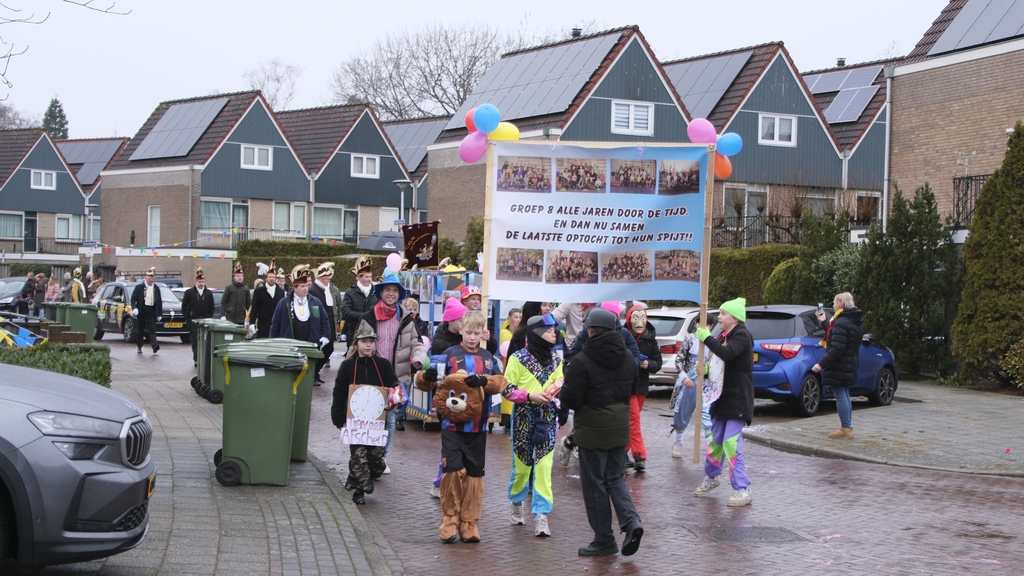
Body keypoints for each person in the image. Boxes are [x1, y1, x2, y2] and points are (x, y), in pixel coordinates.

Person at [415, 310, 506, 542]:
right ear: (461, 331)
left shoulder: (487, 358)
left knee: (475, 476)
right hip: (452, 426)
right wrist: (426, 377)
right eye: (468, 332)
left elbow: (500, 383)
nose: (472, 337)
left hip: (478, 428)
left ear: (482, 333)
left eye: (476, 333)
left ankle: (469, 522)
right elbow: (426, 382)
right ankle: (450, 519)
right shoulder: (449, 354)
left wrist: (484, 380)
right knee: (452, 471)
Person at [560, 307, 643, 557]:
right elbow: (632, 388)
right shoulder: (628, 357)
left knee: (594, 483)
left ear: (590, 330)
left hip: (592, 430)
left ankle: (604, 539)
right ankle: (631, 521)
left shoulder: (582, 360)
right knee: (615, 477)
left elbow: (571, 400)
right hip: (619, 427)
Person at [356, 272, 427, 469]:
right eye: (387, 289)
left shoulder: (406, 319)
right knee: (370, 418)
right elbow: (356, 344)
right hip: (371, 375)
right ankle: (367, 455)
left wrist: (419, 359)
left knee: (389, 420)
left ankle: (381, 457)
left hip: (395, 377)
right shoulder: (368, 317)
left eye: (395, 290)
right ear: (380, 292)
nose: (391, 293)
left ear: (399, 294)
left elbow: (417, 344)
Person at [502, 313, 564, 538]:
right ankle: (517, 502)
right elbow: (506, 388)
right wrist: (529, 396)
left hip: (546, 418)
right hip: (523, 417)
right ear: (537, 334)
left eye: (554, 330)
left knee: (544, 467)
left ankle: (541, 515)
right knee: (522, 466)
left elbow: (559, 382)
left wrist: (554, 396)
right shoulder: (518, 358)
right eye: (549, 331)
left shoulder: (556, 360)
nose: (554, 334)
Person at [693, 297, 754, 507]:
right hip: (720, 398)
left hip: (738, 399)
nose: (719, 317)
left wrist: (707, 338)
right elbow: (718, 363)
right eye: (719, 313)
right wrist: (706, 370)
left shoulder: (742, 336)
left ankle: (743, 489)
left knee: (731, 443)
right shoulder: (722, 336)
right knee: (715, 441)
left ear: (735, 318)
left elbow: (728, 354)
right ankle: (712, 477)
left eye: (723, 313)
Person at [331, 324, 399, 505]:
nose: (368, 345)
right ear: (356, 344)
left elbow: (393, 384)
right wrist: (339, 418)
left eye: (371, 341)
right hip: (355, 420)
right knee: (358, 456)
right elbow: (339, 393)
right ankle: (359, 490)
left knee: (374, 457)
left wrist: (395, 394)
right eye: (364, 341)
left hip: (377, 420)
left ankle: (375, 470)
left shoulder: (383, 365)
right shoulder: (347, 366)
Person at [813, 292, 864, 440]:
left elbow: (836, 348)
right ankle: (847, 427)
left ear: (840, 303)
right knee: (844, 393)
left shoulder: (841, 322)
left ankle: (845, 428)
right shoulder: (854, 321)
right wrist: (824, 321)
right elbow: (835, 336)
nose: (833, 305)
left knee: (840, 394)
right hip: (849, 363)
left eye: (835, 303)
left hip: (839, 365)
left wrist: (820, 364)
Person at [624, 304, 662, 472]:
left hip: (641, 386)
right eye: (635, 318)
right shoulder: (623, 336)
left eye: (642, 318)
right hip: (626, 385)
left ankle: (623, 452)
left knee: (632, 421)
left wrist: (648, 364)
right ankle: (639, 455)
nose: (639, 322)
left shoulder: (650, 339)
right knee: (633, 421)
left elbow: (658, 363)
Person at [269, 265, 331, 351]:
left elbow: (324, 320)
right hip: (290, 347)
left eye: (306, 286)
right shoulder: (284, 303)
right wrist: (273, 341)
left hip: (312, 346)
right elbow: (275, 324)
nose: (305, 288)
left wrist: (325, 336)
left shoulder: (315, 302)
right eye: (302, 286)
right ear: (295, 288)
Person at [670, 332, 712, 458]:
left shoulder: (713, 340)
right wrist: (684, 377)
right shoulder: (689, 339)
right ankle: (678, 442)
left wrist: (708, 372)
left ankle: (711, 447)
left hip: (705, 384)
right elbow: (679, 360)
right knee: (682, 412)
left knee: (707, 412)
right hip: (689, 382)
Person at [309, 262, 343, 384]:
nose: (328, 281)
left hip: (329, 324)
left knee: (329, 349)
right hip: (319, 326)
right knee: (319, 351)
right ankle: (312, 373)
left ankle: (316, 371)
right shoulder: (313, 290)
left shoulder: (326, 290)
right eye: (327, 279)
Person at [181, 268, 215, 366]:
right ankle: (196, 358)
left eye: (202, 282)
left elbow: (211, 308)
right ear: (196, 282)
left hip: (204, 320)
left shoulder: (208, 293)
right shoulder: (189, 292)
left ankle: (203, 358)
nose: (201, 283)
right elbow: (184, 307)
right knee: (195, 340)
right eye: (199, 282)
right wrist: (188, 319)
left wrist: (209, 318)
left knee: (204, 340)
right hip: (193, 320)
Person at [340, 256, 377, 346]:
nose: (369, 279)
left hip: (372, 332)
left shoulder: (376, 292)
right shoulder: (350, 292)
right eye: (366, 277)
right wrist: (363, 316)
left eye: (370, 276)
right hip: (354, 332)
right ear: (359, 278)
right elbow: (346, 311)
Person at [248, 261, 285, 339]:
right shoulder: (259, 291)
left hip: (276, 324)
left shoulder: (280, 292)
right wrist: (251, 323)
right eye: (270, 277)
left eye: (273, 277)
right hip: (263, 323)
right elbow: (254, 308)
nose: (272, 279)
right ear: (266, 278)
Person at [130, 267, 162, 355]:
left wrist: (159, 313)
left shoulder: (156, 288)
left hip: (151, 311)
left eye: (152, 278)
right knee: (140, 329)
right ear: (146, 278)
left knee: (152, 329)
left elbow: (159, 301)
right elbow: (133, 299)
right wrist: (134, 308)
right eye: (149, 278)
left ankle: (154, 346)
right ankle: (139, 346)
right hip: (142, 311)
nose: (151, 280)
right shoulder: (139, 287)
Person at [459, 285, 497, 353]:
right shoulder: (458, 316)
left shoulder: (484, 315)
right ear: (464, 301)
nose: (476, 302)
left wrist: (488, 338)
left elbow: (492, 348)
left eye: (478, 299)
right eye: (473, 299)